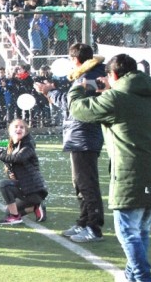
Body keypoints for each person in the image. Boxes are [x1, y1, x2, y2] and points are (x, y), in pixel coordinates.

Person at [68, 54, 151, 282]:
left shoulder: (116, 98)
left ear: (113, 75)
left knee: (127, 233)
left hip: (130, 173)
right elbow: (121, 105)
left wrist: (78, 88)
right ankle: (131, 278)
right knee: (141, 230)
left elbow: (81, 110)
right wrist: (105, 89)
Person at [35, 43, 105, 243]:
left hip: (85, 135)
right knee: (80, 183)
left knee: (87, 183)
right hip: (80, 135)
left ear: (75, 60)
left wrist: (49, 92)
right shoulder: (89, 75)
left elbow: (72, 105)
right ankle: (83, 222)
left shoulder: (90, 77)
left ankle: (94, 227)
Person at [0, 119, 48, 225]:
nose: (19, 129)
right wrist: (11, 175)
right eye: (16, 127)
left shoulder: (28, 144)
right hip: (25, 188)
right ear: (10, 131)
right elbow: (13, 166)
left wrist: (0, 155)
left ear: (26, 131)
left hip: (34, 190)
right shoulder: (13, 146)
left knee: (4, 185)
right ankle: (35, 207)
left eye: (22, 127)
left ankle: (15, 217)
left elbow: (19, 158)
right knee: (7, 212)